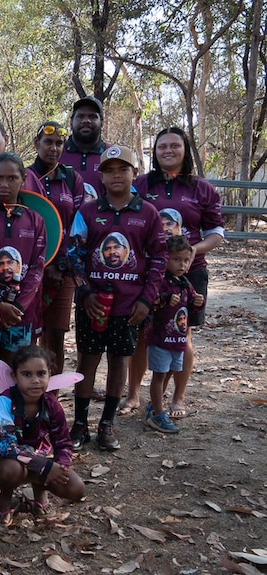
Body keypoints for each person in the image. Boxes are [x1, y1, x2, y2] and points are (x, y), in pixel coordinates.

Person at [67, 145, 167, 451]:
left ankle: (107, 422)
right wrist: (83, 292)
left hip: (129, 306)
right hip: (93, 303)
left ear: (134, 173)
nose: (116, 175)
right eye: (109, 170)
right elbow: (73, 255)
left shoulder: (148, 213)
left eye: (122, 169)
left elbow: (159, 259)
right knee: (88, 359)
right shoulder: (87, 212)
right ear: (101, 176)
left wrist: (146, 300)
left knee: (119, 361)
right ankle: (80, 423)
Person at [122, 126, 224, 418]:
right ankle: (133, 396)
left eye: (174, 146)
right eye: (162, 146)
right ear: (154, 152)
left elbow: (216, 231)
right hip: (149, 272)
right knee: (143, 333)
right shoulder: (140, 185)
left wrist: (194, 250)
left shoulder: (202, 188)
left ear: (185, 151)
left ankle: (177, 398)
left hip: (189, 273)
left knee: (183, 336)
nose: (168, 150)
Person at [0, 345, 85, 528]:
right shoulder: (4, 402)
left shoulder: (52, 404)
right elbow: (6, 446)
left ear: (50, 374)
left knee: (76, 488)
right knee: (11, 470)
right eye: (27, 374)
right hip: (7, 461)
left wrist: (62, 467)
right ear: (14, 376)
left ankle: (39, 493)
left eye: (41, 374)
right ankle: (5, 498)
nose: (35, 380)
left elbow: (63, 442)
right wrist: (46, 466)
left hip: (40, 461)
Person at [0, 152, 47, 365]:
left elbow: (37, 268)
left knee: (15, 372)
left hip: (21, 314)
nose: (4, 184)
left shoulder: (35, 220)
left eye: (12, 178)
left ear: (23, 179)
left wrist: (19, 307)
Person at [28, 122, 88, 374]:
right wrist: (42, 265)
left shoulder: (72, 179)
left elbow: (78, 224)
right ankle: (26, 396)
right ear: (36, 144)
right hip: (31, 269)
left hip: (63, 270)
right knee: (28, 332)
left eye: (59, 143)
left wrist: (63, 265)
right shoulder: (25, 176)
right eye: (48, 142)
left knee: (56, 334)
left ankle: (51, 399)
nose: (53, 148)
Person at [144, 236, 204, 433]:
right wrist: (165, 299)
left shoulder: (185, 282)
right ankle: (158, 415)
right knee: (159, 375)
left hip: (178, 340)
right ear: (167, 259)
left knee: (170, 372)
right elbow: (151, 302)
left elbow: (188, 309)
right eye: (177, 259)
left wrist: (197, 302)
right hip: (161, 338)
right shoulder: (160, 281)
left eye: (186, 260)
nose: (182, 264)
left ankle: (155, 405)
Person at [59, 96, 108, 197]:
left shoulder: (112, 154)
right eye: (80, 116)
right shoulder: (57, 154)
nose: (86, 120)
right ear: (71, 122)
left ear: (102, 122)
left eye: (92, 116)